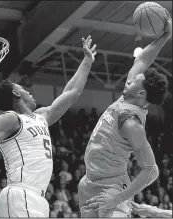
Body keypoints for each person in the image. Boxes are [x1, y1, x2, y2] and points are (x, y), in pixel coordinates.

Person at [0, 35, 96, 217]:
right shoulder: (10, 119)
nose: (30, 93)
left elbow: (72, 92)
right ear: (16, 93)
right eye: (25, 89)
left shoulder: (41, 117)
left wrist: (87, 61)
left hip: (37, 198)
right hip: (21, 193)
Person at [79, 10, 172, 218]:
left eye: (133, 81)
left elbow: (151, 170)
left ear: (141, 93)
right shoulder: (127, 97)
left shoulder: (131, 122)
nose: (128, 80)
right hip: (89, 183)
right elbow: (142, 59)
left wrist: (118, 198)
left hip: (112, 187)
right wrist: (165, 36)